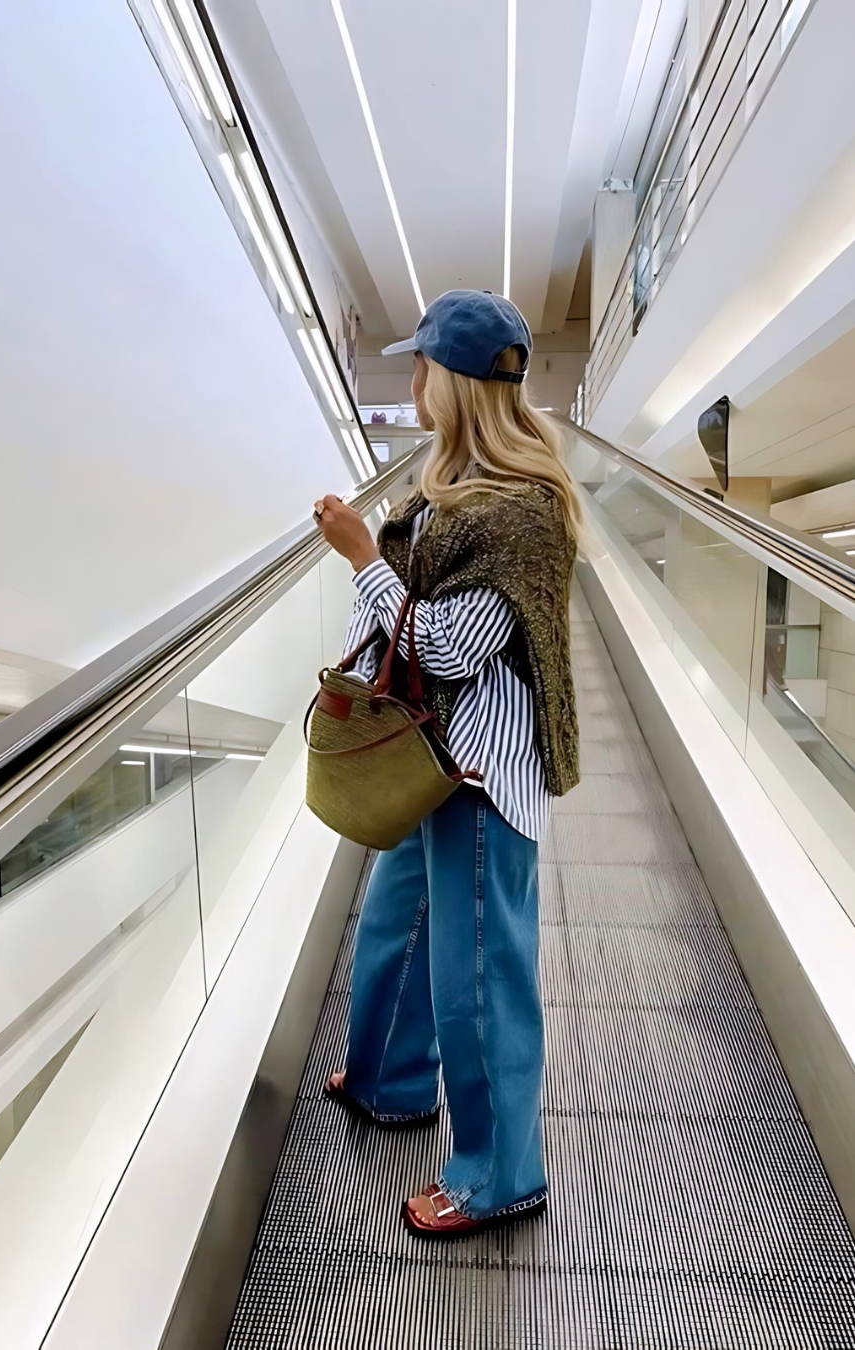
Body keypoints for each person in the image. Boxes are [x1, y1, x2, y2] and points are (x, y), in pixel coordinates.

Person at [314, 289, 582, 1237]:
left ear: (455, 381)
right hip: (427, 756)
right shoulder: (443, 487)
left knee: (478, 983)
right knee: (398, 926)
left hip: (476, 773)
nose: (411, 378)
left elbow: (446, 649)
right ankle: (389, 1079)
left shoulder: (519, 512)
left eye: (421, 364)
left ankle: (498, 1175)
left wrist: (360, 559)